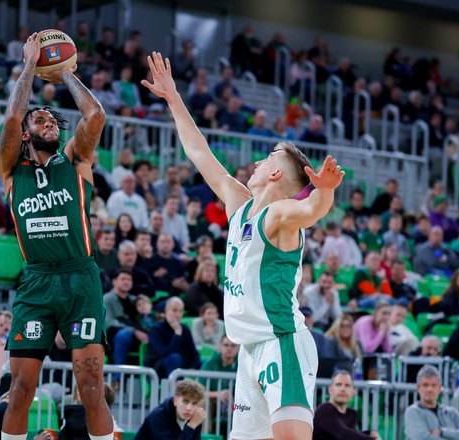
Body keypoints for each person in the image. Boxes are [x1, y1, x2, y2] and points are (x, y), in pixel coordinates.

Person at [142, 51, 344, 439]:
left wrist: (326, 192)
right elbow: (198, 152)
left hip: (281, 343)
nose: (256, 162)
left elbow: (312, 210)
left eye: (267, 157)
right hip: (249, 349)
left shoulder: (279, 215)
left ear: (274, 173)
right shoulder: (240, 204)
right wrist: (174, 99)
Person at [0, 32, 113, 440]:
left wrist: (64, 72)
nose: (49, 123)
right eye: (40, 120)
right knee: (20, 389)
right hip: (37, 280)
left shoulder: (76, 159)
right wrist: (31, 64)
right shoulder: (12, 169)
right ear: (26, 136)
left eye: (52, 120)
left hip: (81, 278)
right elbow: (12, 119)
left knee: (91, 388)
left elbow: (95, 115)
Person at [404, 365, 459, 440]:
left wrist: (442, 432)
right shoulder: (413, 412)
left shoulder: (452, 412)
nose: (429, 389)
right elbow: (421, 438)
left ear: (440, 388)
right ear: (418, 388)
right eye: (425, 385)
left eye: (434, 385)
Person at [313, 370, 380, 440]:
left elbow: (352, 434)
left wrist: (369, 433)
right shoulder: (324, 410)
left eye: (347, 385)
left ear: (353, 392)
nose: (343, 389)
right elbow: (342, 434)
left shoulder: (351, 414)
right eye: (338, 384)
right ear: (330, 390)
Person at [145, 297, 200, 378]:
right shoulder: (156, 329)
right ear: (166, 311)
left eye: (180, 311)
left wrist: (193, 367)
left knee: (206, 362)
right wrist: (177, 334)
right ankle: (173, 389)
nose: (178, 314)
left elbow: (194, 353)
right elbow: (164, 354)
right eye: (174, 310)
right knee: (175, 358)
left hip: (182, 368)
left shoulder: (184, 328)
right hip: (159, 370)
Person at [104, 269, 148, 367]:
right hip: (112, 338)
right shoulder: (107, 299)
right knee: (124, 334)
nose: (126, 282)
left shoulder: (134, 300)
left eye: (129, 280)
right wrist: (134, 331)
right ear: (114, 281)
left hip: (135, 337)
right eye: (123, 279)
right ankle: (118, 376)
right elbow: (109, 322)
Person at [135, 379, 206, 440]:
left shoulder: (195, 418)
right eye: (185, 402)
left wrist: (193, 424)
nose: (189, 408)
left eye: (194, 404)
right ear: (175, 401)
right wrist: (191, 426)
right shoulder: (157, 417)